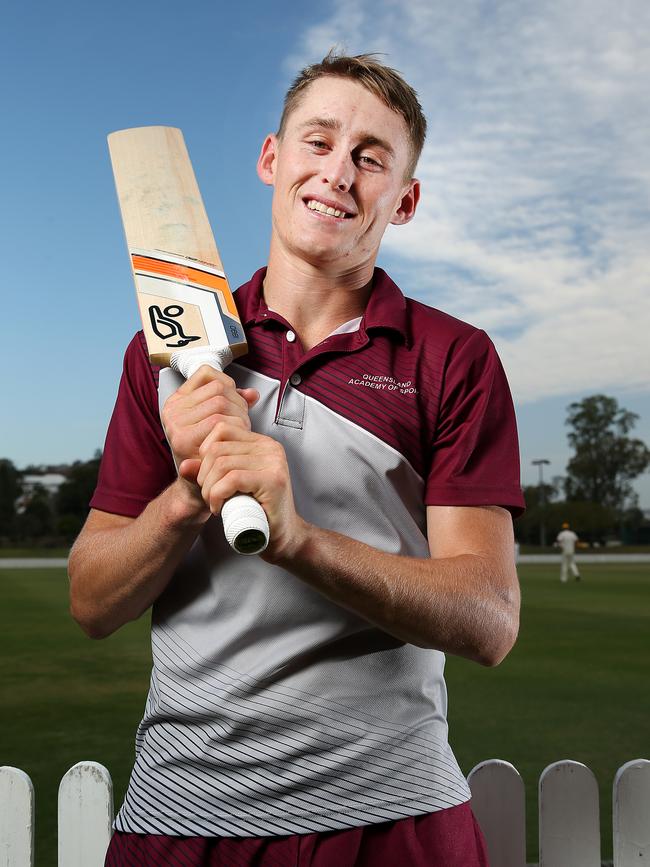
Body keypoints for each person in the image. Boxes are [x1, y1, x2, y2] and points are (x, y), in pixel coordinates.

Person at [69, 52, 525, 867]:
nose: (338, 173)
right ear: (272, 159)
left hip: (395, 813)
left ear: (405, 200)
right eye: (318, 142)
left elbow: (488, 618)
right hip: (183, 809)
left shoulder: (455, 357)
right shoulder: (160, 358)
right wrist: (182, 498)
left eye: (370, 157)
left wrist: (296, 537)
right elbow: (93, 600)